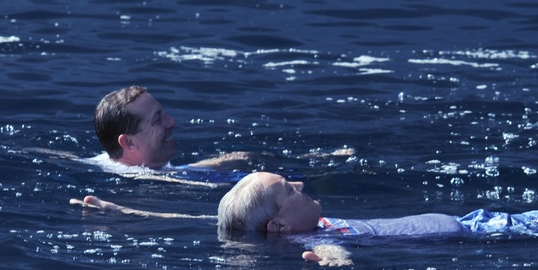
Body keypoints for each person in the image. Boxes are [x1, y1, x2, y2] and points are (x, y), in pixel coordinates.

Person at [71, 166, 538, 267]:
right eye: (289, 186)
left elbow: (199, 227)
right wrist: (334, 264)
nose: (304, 182)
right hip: (482, 236)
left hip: (483, 220)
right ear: (282, 224)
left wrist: (123, 206)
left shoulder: (283, 226)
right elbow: (327, 263)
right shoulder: (313, 244)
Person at [92, 86, 353, 175]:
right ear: (128, 143)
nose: (172, 123)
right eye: (158, 120)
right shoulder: (150, 183)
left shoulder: (100, 161)